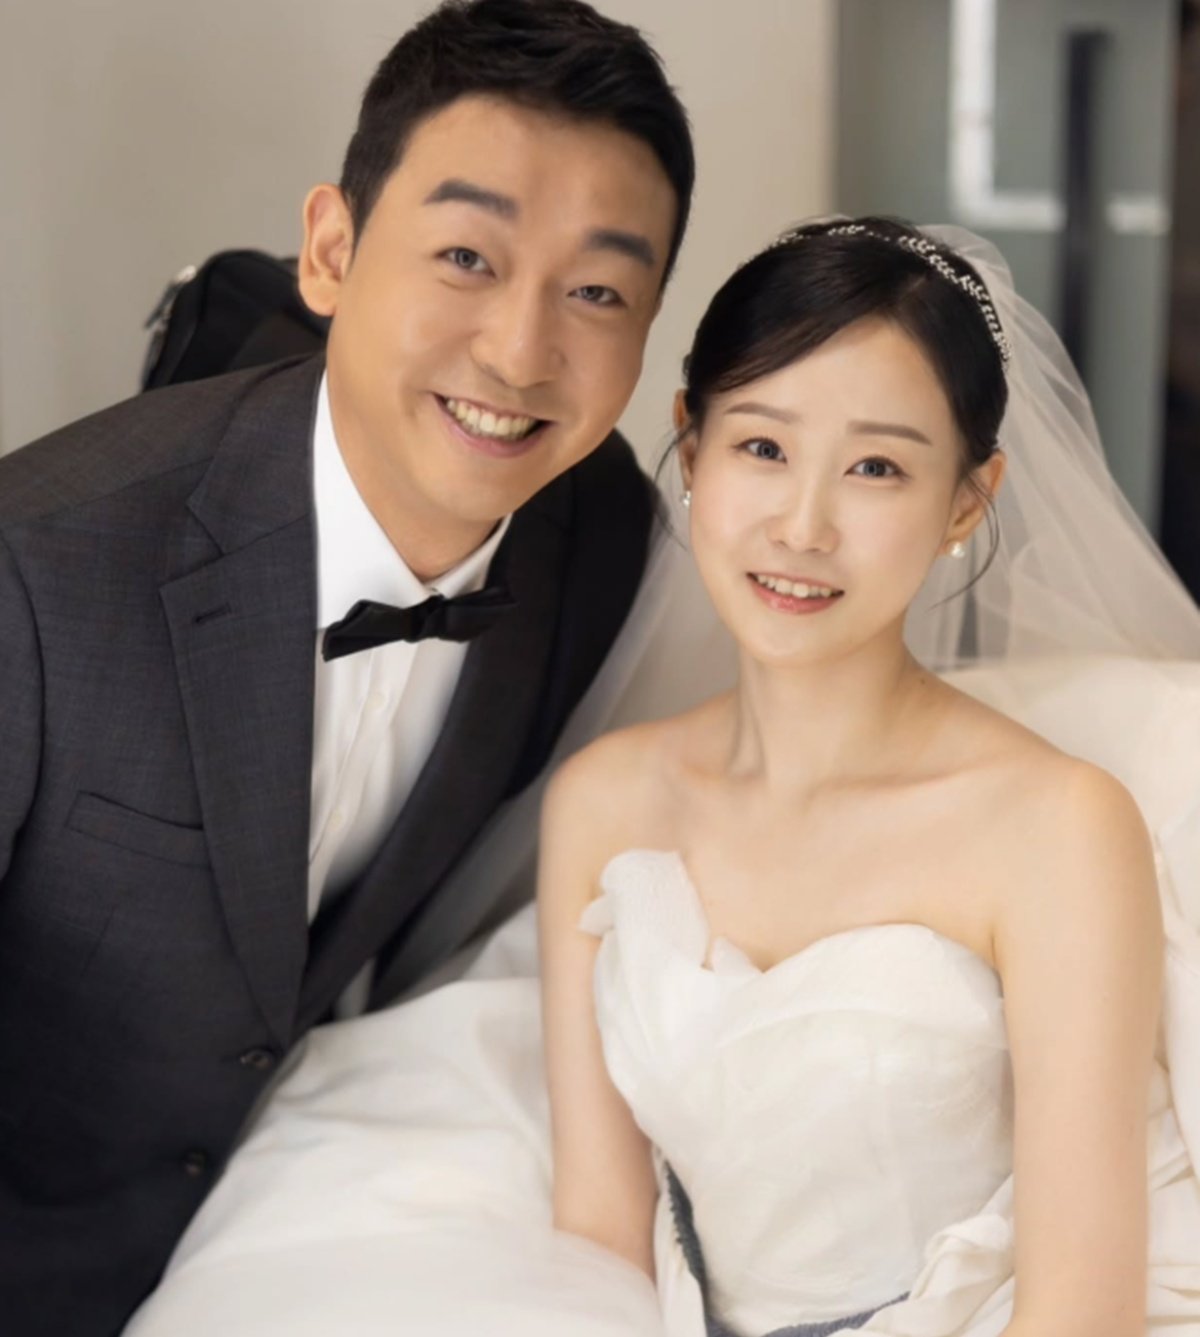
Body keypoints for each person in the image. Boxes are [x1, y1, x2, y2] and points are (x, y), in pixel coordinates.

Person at [120, 221, 1200, 1337]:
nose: (803, 526)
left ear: (967, 501)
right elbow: (603, 1229)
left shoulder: (1056, 826)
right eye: (763, 447)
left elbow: (1083, 1306)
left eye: (877, 467)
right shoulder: (608, 801)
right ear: (691, 450)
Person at [0, 3, 693, 1334]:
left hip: (312, 1231)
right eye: (467, 257)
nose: (521, 352)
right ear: (331, 250)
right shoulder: (36, 570)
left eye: (597, 291)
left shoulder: (605, 536)